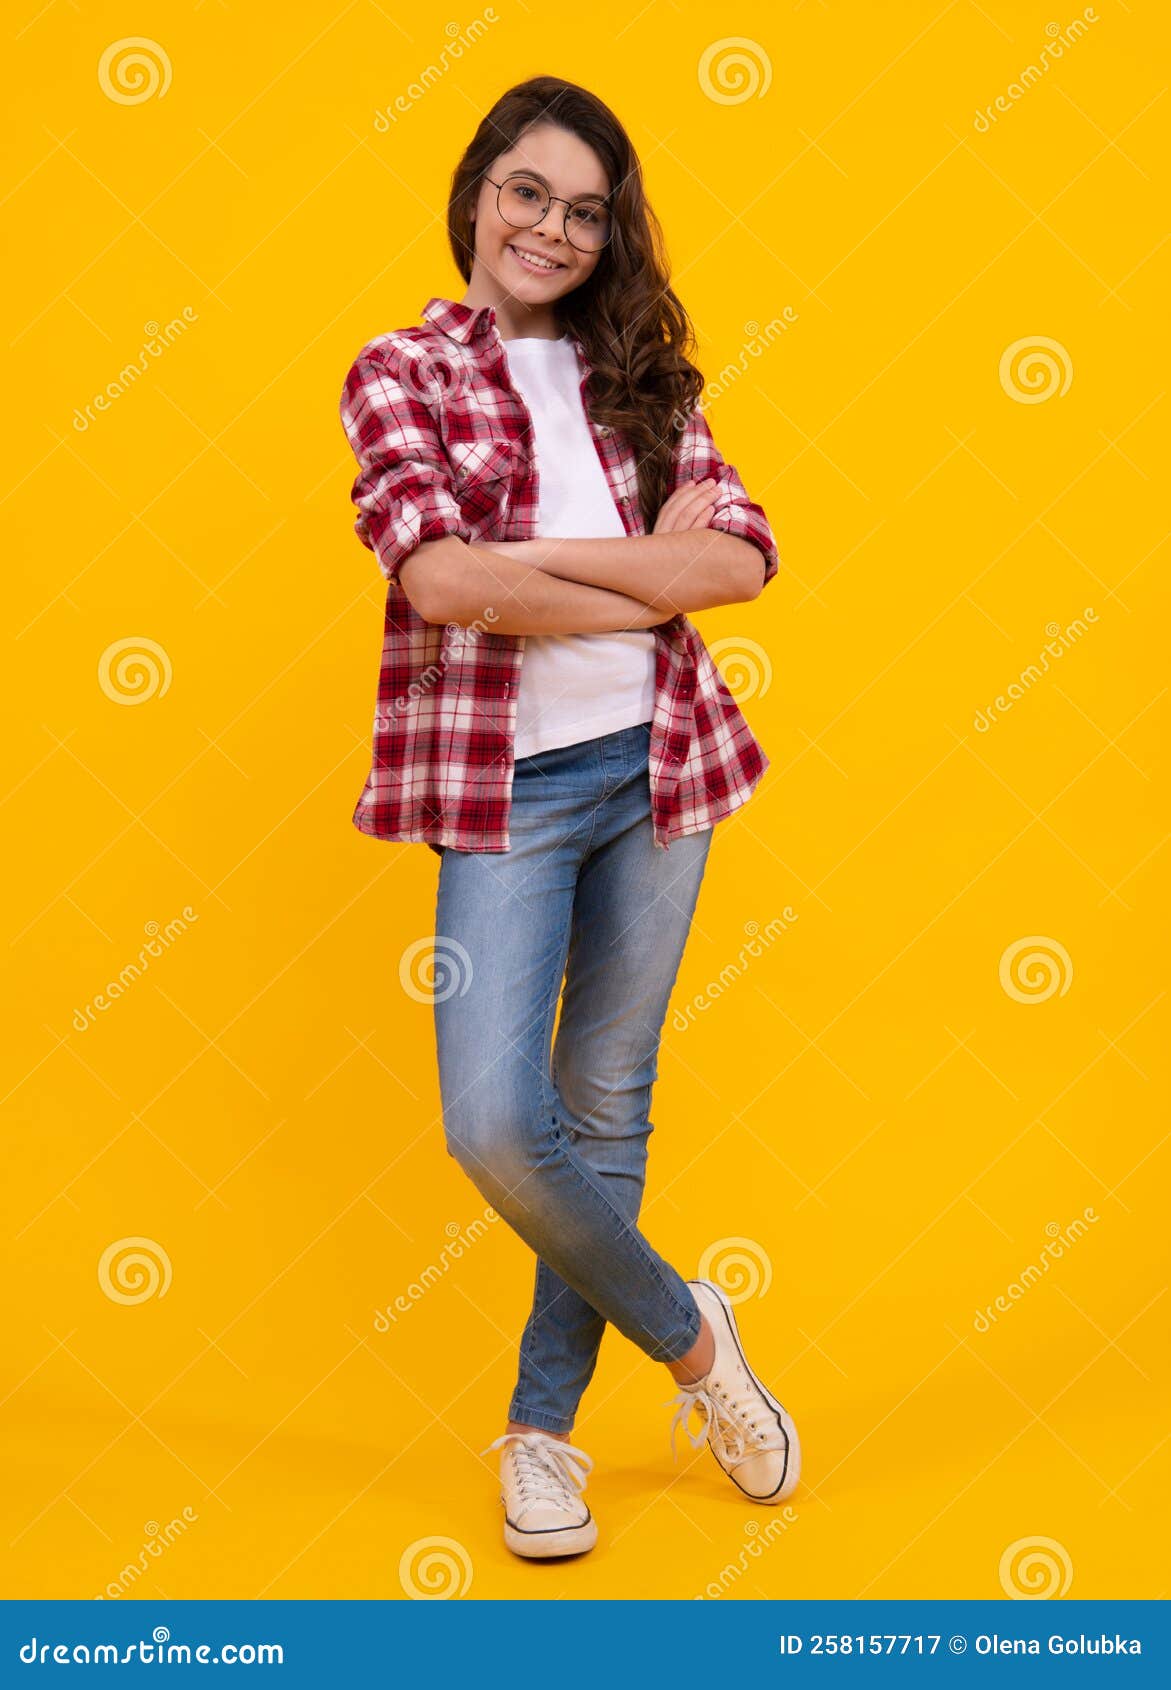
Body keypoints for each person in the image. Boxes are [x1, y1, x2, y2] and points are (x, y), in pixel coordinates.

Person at [339, 74, 800, 1560]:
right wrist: (628, 564)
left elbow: (738, 567)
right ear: (479, 191)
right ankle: (692, 1334)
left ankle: (543, 1438)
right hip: (505, 787)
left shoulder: (641, 377)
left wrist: (532, 556)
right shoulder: (398, 368)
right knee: (494, 1117)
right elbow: (442, 584)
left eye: (586, 211)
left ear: (610, 237)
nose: (552, 227)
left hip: (663, 766)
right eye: (528, 192)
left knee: (603, 1107)